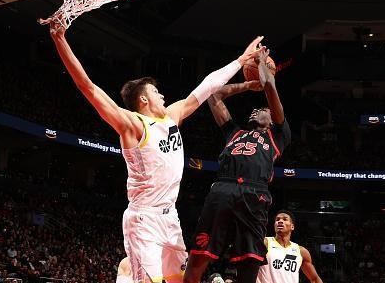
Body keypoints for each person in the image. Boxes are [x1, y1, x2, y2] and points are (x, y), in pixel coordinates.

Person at [49, 20, 265, 283]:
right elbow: (88, 87)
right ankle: (128, 271)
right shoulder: (133, 124)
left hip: (170, 217)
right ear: (143, 100)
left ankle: (126, 272)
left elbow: (206, 86)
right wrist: (60, 39)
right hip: (144, 220)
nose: (162, 96)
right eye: (156, 92)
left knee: (181, 280)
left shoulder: (172, 117)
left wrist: (241, 60)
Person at [183, 47, 291, 283]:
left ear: (272, 118)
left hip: (255, 194)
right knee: (197, 258)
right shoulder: (234, 132)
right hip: (222, 188)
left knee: (249, 262)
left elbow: (270, 88)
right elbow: (214, 96)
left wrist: (262, 64)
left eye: (262, 109)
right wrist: (245, 86)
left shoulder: (278, 135)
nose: (257, 110)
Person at [257, 210, 323, 283]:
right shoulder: (264, 243)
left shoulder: (301, 251)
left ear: (292, 226)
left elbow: (314, 279)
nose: (280, 221)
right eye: (277, 219)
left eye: (285, 219)